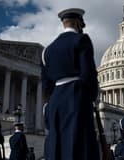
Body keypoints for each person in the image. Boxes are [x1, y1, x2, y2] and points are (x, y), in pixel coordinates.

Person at [41, 8, 99, 160]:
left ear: (64, 24)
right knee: (79, 143)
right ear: (78, 23)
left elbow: (46, 85)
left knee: (57, 143)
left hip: (55, 101)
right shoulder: (82, 40)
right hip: (76, 96)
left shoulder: (47, 51)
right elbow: (88, 74)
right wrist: (92, 96)